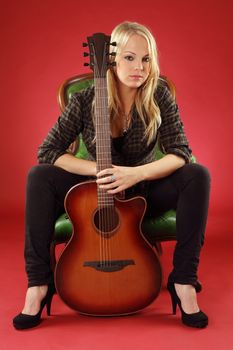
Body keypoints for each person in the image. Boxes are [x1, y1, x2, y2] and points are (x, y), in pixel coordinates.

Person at [13, 21, 210, 330]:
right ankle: (39, 284)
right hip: (95, 194)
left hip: (142, 191)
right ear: (111, 59)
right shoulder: (84, 99)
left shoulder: (158, 95)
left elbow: (180, 152)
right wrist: (99, 170)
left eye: (146, 59)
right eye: (130, 58)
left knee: (197, 174)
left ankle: (183, 280)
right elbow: (49, 151)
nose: (140, 67)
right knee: (39, 176)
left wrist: (135, 174)